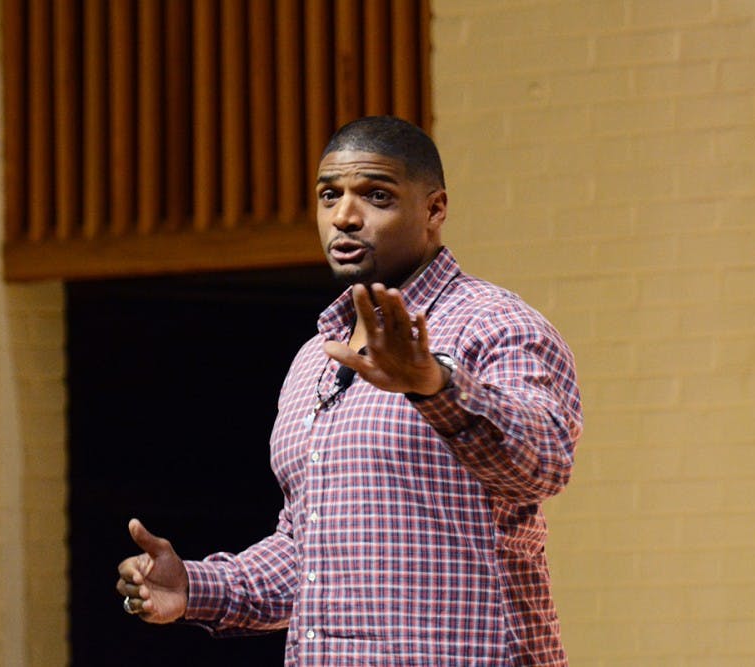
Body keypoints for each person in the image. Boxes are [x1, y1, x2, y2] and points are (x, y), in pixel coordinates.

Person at [116, 116, 583, 666]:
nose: (344, 216)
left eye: (376, 195)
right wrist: (196, 587)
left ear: (434, 209)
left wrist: (435, 386)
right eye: (328, 195)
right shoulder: (313, 357)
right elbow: (309, 553)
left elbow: (545, 461)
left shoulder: (494, 324)